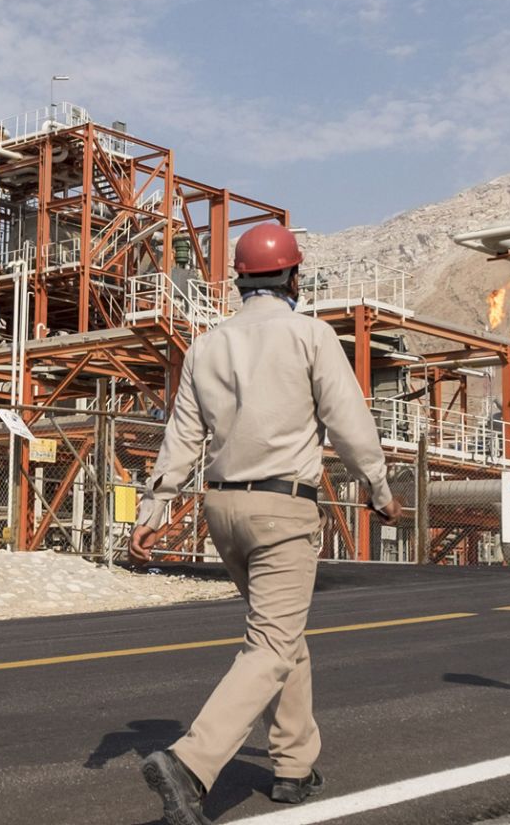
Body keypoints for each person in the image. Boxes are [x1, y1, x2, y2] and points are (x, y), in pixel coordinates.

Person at [128, 224, 404, 825]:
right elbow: (350, 423)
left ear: (239, 280)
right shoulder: (311, 335)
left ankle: (293, 767)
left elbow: (182, 436)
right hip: (283, 508)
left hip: (223, 508)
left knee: (282, 636)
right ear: (294, 277)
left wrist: (154, 508)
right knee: (272, 642)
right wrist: (380, 490)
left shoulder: (207, 344)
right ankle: (191, 763)